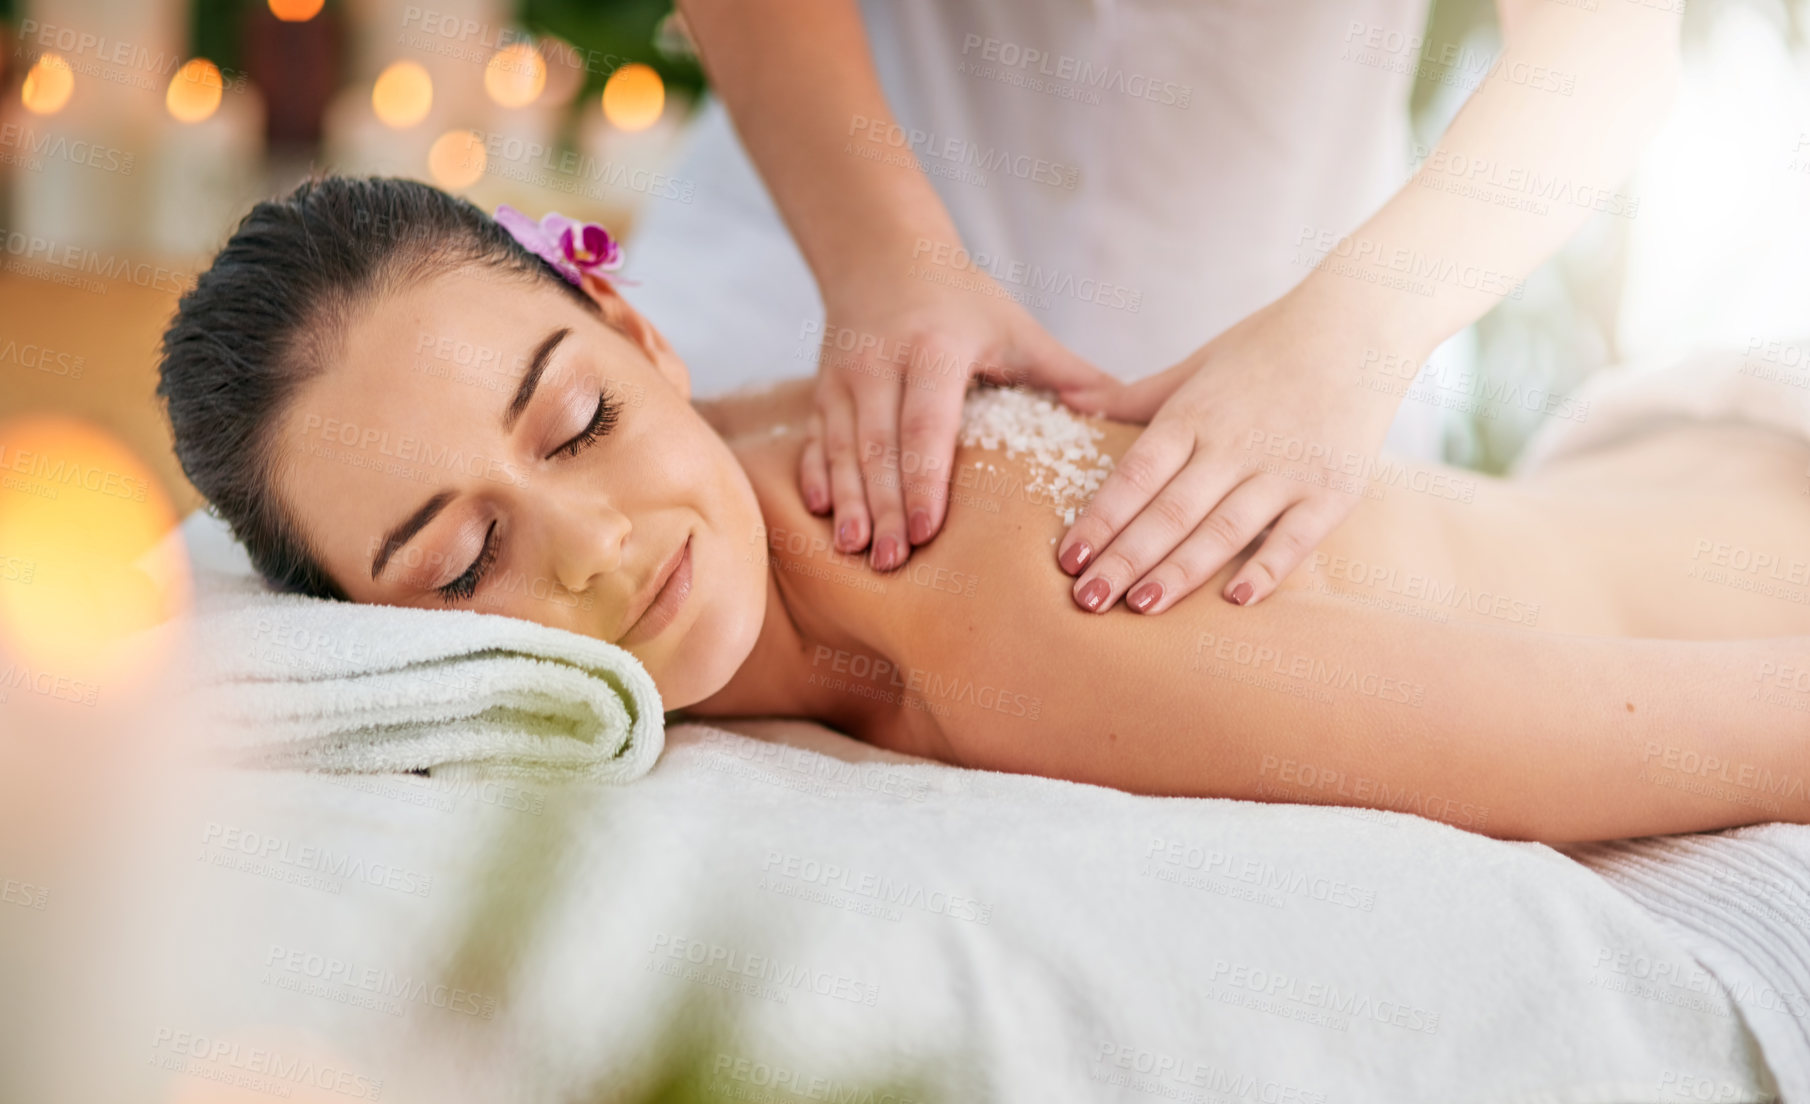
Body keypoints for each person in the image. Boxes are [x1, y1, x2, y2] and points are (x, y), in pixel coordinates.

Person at [157, 178, 1809, 843]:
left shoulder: (999, 600)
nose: (594, 541)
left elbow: (1692, 726)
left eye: (582, 420)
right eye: (462, 560)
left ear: (645, 336)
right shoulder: (747, 483)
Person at [645, 0, 1682, 618]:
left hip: (1310, 330)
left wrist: (1353, 336)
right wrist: (876, 255)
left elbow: (1602, 54)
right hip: (810, 248)